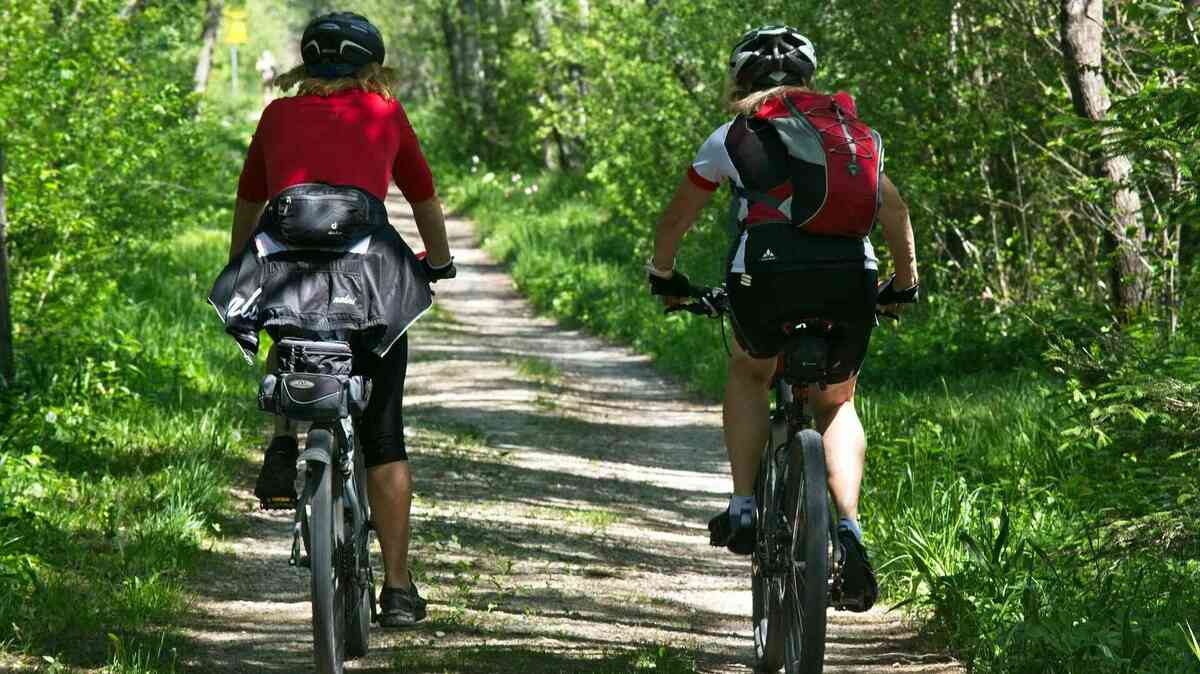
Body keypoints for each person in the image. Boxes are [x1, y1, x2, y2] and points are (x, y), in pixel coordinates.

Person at [647, 26, 919, 611]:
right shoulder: (849, 134)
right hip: (851, 276)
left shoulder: (731, 136)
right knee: (837, 402)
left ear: (740, 80)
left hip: (765, 278)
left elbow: (675, 222)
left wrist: (664, 276)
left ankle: (744, 506)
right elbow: (893, 209)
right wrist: (905, 285)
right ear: (808, 79)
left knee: (750, 371)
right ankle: (848, 528)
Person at [226, 12, 455, 628]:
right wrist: (440, 262)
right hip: (370, 279)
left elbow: (251, 201)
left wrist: (239, 264)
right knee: (384, 433)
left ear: (307, 65)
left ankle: (281, 440)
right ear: (370, 67)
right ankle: (400, 589)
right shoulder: (384, 113)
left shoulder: (276, 115)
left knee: (288, 324)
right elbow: (422, 196)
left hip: (286, 269)